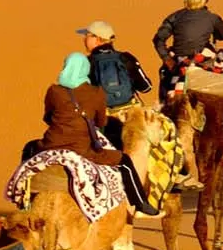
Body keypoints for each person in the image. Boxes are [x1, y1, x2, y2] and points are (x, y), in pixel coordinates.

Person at [39, 52, 163, 218]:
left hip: (51, 144)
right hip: (82, 149)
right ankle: (141, 203)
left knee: (29, 149)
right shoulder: (96, 92)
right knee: (125, 161)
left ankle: (23, 194)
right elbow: (101, 122)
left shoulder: (53, 90)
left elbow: (47, 117)